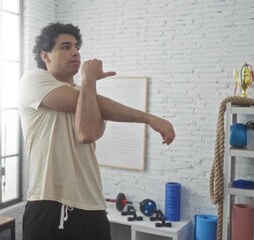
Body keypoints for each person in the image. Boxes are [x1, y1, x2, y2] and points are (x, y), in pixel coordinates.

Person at [18, 22, 175, 240]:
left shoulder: (88, 96)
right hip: (49, 202)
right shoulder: (32, 80)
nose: (75, 51)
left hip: (92, 205)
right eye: (65, 46)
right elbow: (87, 122)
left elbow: (88, 133)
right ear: (46, 56)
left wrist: (88, 85)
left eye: (76, 46)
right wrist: (148, 118)